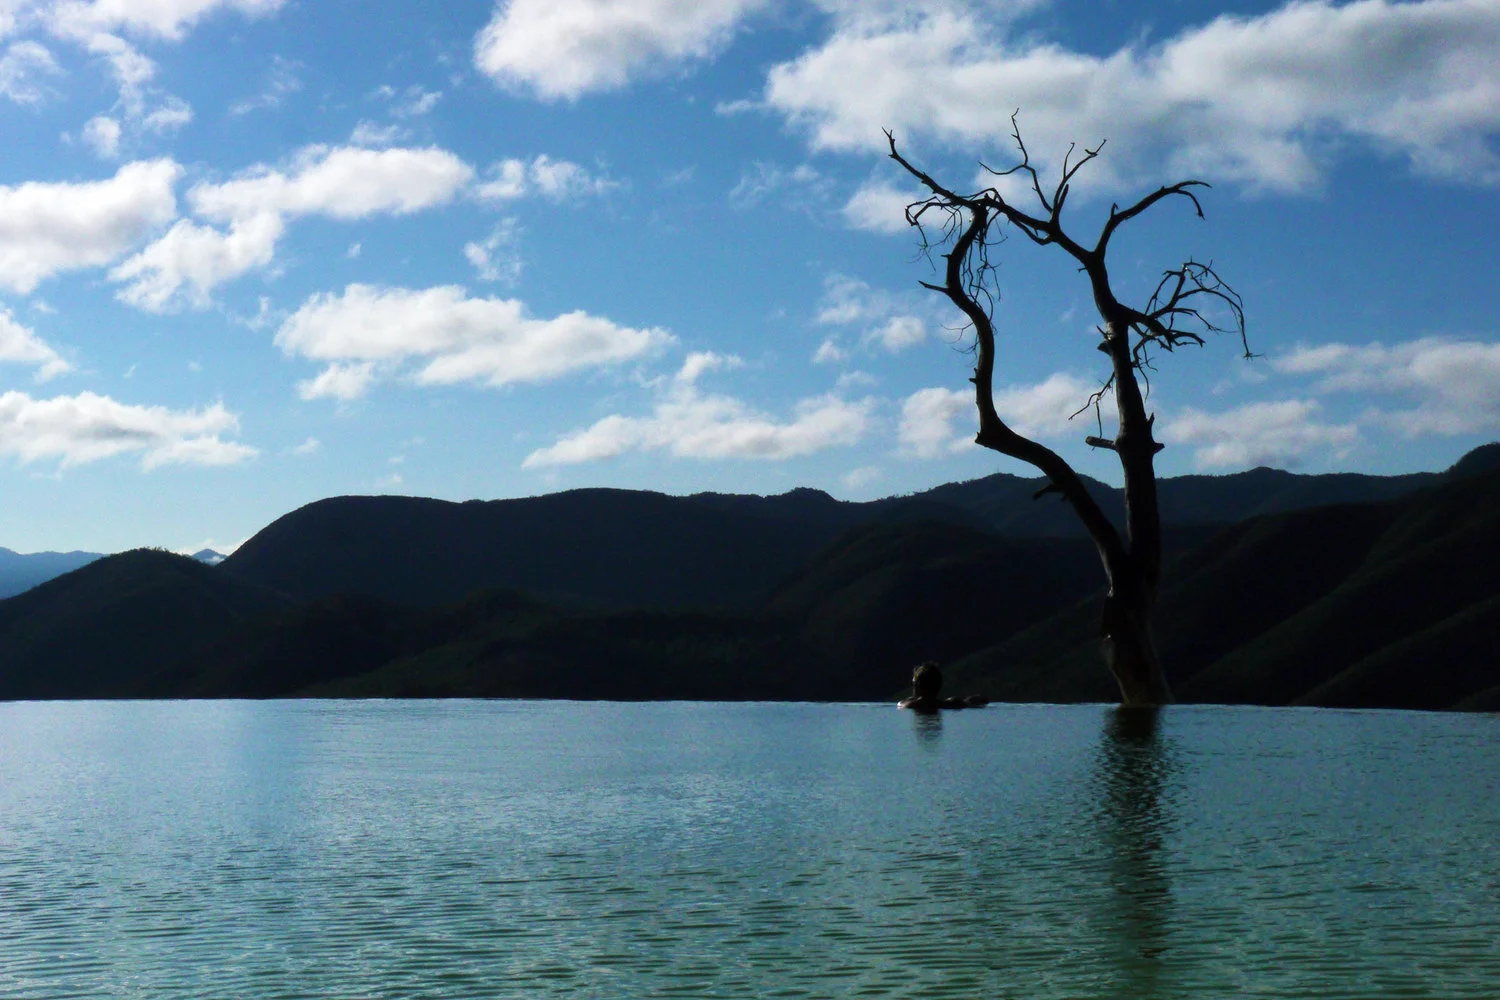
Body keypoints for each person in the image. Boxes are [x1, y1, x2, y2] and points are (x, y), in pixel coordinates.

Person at [898, 661, 989, 711]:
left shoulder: (910, 705)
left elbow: (901, 703)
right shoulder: (949, 704)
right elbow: (967, 703)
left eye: (913, 684)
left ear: (918, 685)